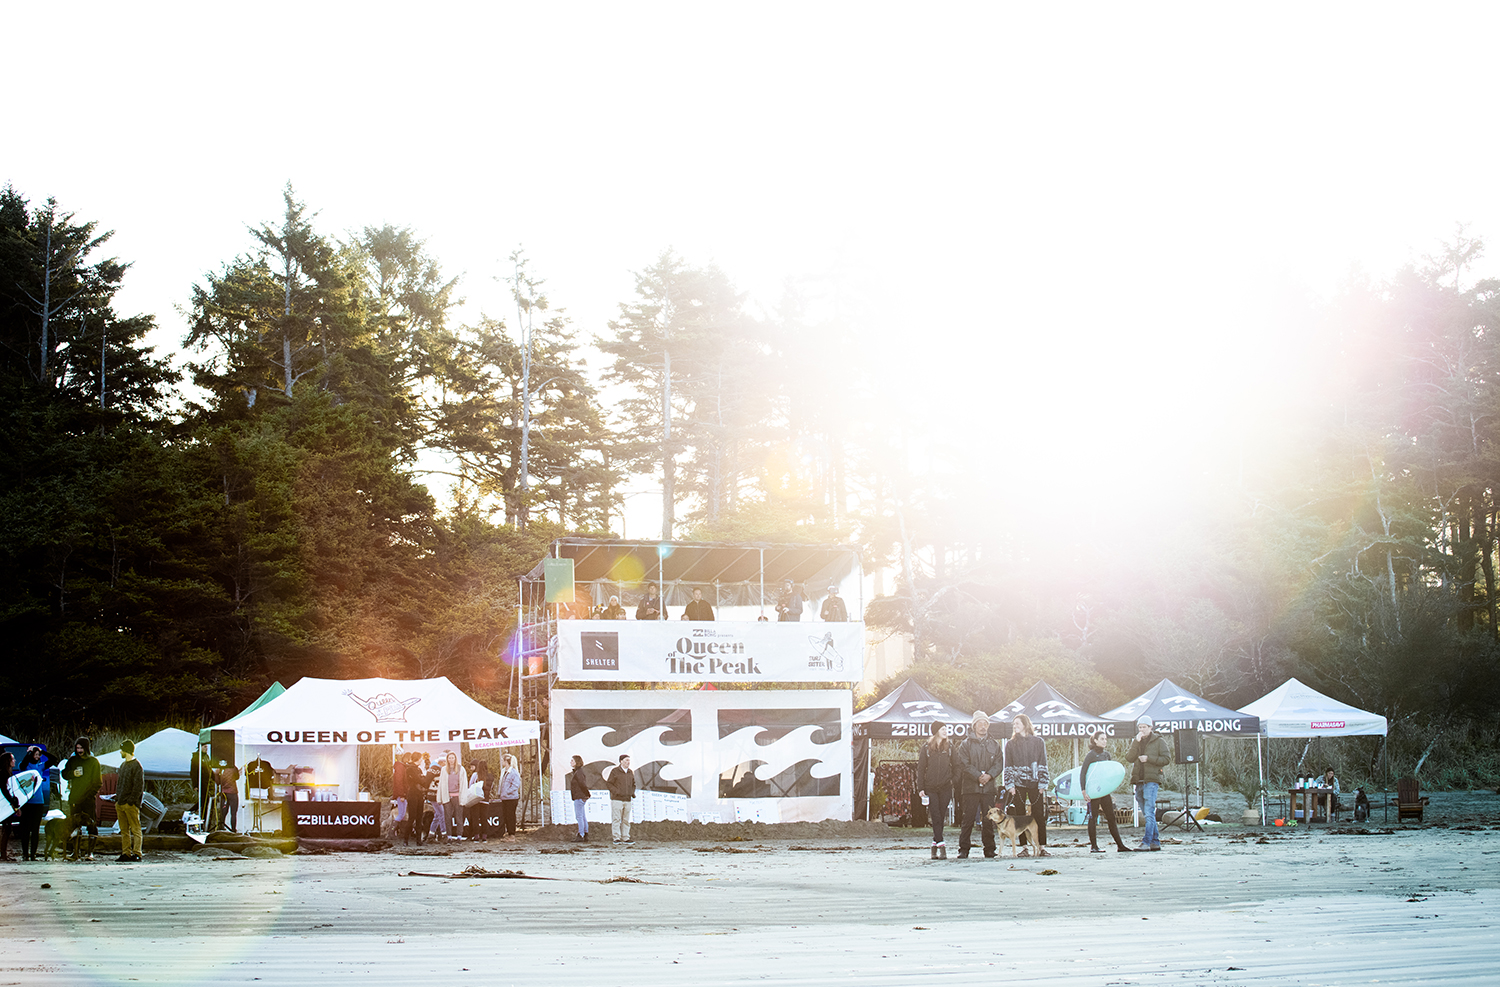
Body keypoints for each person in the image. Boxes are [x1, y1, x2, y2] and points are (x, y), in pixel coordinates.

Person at [954, 711, 1002, 859]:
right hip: (970, 788)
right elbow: (963, 763)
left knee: (989, 819)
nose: (983, 726)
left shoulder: (995, 744)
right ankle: (964, 849)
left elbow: (999, 763)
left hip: (988, 788)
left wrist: (989, 776)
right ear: (974, 725)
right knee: (968, 818)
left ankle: (989, 849)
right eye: (980, 723)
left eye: (985, 723)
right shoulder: (965, 744)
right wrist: (978, 776)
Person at [1003, 713, 1050, 856]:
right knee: (1019, 815)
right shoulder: (1010, 744)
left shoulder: (1038, 742)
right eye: (1013, 724)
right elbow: (1008, 765)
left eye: (1017, 723)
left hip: (1035, 783)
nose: (1015, 726)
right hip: (1018, 784)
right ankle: (1024, 847)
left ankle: (1041, 846)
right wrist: (1010, 784)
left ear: (1025, 724)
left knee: (1038, 814)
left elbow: (1043, 762)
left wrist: (1043, 783)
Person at [1082, 731, 1133, 853]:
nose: (1105, 741)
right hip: (1094, 791)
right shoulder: (1091, 755)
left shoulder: (1106, 755)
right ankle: (1094, 846)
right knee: (1093, 818)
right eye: (1102, 739)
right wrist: (1084, 791)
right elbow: (1083, 773)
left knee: (1111, 817)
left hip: (1104, 792)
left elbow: (1108, 774)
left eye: (1106, 739)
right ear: (1095, 740)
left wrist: (1110, 788)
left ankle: (1120, 845)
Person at [1128, 716, 1171, 851]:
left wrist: (1149, 759)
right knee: (1147, 813)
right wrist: (1135, 742)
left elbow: (1167, 758)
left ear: (1150, 728)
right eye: (1140, 727)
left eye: (1144, 727)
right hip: (1139, 780)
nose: (1141, 730)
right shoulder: (1136, 741)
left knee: (1149, 811)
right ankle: (1155, 842)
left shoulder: (1159, 741)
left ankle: (1146, 842)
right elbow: (1129, 758)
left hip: (1151, 780)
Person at [916, 722, 955, 859]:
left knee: (941, 815)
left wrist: (952, 781)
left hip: (945, 787)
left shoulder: (950, 747)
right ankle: (941, 845)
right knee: (936, 816)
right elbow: (920, 769)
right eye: (943, 729)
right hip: (930, 787)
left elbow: (957, 766)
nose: (945, 731)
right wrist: (920, 787)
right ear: (936, 731)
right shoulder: (926, 748)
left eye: (946, 729)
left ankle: (934, 844)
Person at [62, 737, 102, 860]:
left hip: (88, 799)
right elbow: (64, 774)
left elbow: (98, 782)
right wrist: (72, 774)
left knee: (91, 824)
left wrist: (90, 795)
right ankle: (75, 852)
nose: (79, 750)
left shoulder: (93, 762)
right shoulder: (73, 761)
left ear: (86, 748)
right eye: (77, 748)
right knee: (74, 825)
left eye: (81, 748)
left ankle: (90, 852)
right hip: (75, 798)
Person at [17, 746, 50, 862]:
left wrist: (42, 751)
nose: (37, 757)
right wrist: (29, 753)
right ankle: (25, 854)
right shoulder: (25, 765)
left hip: (38, 802)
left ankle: (33, 855)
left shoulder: (40, 766)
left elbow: (53, 760)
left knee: (35, 829)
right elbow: (22, 765)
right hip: (27, 801)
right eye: (35, 755)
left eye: (38, 755)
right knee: (25, 829)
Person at [607, 754, 636, 845]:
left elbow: (633, 784)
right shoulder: (615, 771)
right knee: (616, 818)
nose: (628, 762)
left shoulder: (630, 772)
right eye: (626, 760)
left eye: (629, 760)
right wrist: (616, 792)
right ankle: (616, 837)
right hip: (617, 799)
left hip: (627, 799)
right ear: (621, 761)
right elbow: (609, 784)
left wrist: (631, 792)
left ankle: (625, 837)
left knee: (626, 820)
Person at [437, 751, 467, 840]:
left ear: (455, 758)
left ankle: (459, 836)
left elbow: (464, 783)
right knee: (447, 817)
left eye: (452, 758)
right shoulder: (444, 770)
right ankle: (449, 836)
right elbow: (441, 784)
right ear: (447, 759)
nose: (451, 760)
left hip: (458, 796)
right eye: (449, 758)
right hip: (447, 796)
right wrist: (439, 798)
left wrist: (464, 798)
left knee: (459, 816)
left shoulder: (461, 769)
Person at [568, 755, 591, 842]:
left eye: (572, 761)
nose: (571, 762)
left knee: (579, 816)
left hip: (579, 796)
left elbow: (582, 784)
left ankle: (581, 834)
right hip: (581, 796)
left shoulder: (578, 773)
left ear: (576, 762)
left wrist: (586, 794)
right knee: (582, 816)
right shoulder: (579, 772)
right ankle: (585, 833)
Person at [498, 753, 522, 837]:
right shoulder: (503, 771)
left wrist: (506, 792)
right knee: (506, 816)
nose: (501, 762)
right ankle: (508, 833)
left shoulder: (513, 772)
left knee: (510, 816)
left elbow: (516, 785)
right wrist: (500, 793)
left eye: (502, 760)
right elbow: (501, 783)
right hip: (504, 798)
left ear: (506, 761)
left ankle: (512, 834)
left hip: (511, 798)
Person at [0, 751, 18, 861]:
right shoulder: (3, 774)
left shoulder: (8, 773)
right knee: (6, 829)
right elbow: (5, 791)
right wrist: (13, 802)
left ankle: (4, 853)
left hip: (7, 805)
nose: (14, 761)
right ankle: (3, 854)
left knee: (7, 829)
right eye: (12, 759)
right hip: (5, 805)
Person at [215, 761, 241, 832]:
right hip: (233, 792)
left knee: (223, 811)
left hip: (224, 793)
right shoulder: (233, 767)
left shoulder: (219, 769)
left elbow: (217, 782)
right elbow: (237, 777)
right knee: (233, 812)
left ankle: (221, 827)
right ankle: (233, 829)